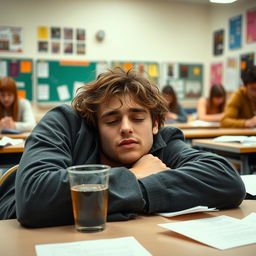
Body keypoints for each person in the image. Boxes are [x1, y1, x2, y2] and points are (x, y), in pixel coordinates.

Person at [0, 68, 245, 228]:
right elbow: (34, 199)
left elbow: (226, 180)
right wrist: (134, 176)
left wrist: (135, 190)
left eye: (138, 119)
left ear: (155, 124)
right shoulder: (63, 123)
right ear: (96, 125)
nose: (126, 128)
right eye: (112, 120)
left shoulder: (165, 143)